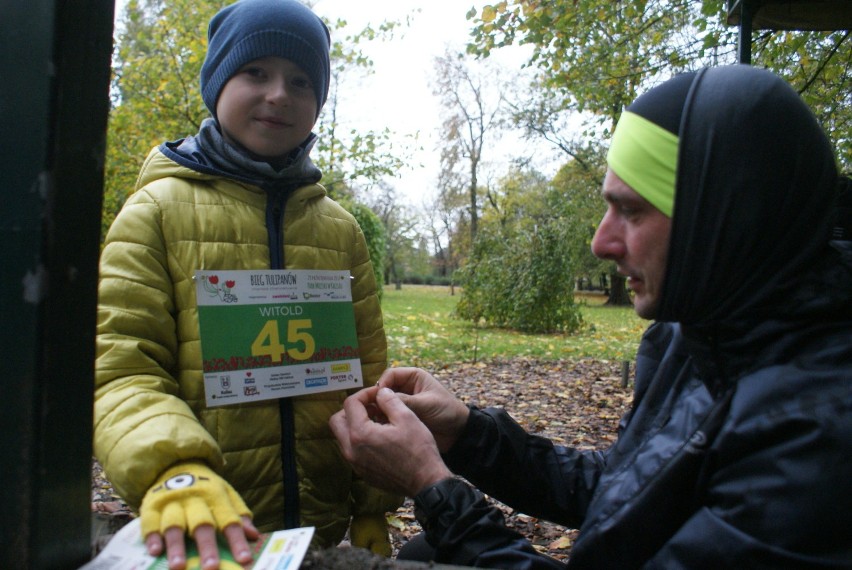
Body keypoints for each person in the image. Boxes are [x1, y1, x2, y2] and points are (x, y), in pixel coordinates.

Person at [330, 64, 852, 568]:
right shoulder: (704, 331)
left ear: (724, 216)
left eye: (633, 210)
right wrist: (467, 435)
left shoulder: (816, 438)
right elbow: (626, 484)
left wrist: (433, 487)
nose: (601, 242)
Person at [94, 1, 400, 568]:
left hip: (325, 534)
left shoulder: (341, 231)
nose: (279, 94)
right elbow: (122, 370)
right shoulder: (153, 214)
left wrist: (374, 504)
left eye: (301, 80)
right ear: (217, 83)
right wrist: (173, 470)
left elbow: (368, 375)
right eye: (256, 72)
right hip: (207, 533)